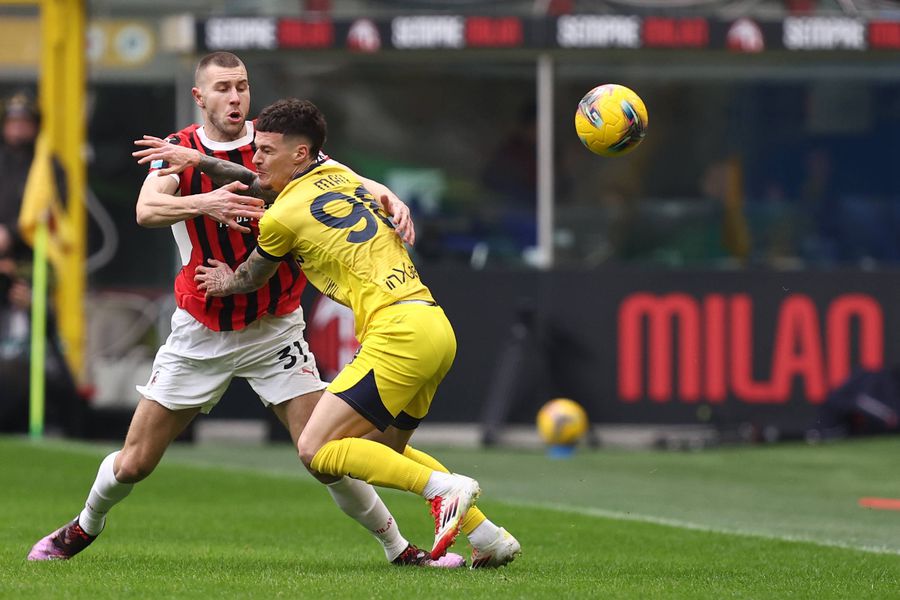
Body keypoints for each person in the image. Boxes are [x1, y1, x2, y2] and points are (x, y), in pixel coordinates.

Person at [26, 52, 460, 568]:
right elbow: (146, 210)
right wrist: (204, 204)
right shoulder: (181, 149)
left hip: (274, 329)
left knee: (326, 455)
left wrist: (388, 195)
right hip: (200, 330)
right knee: (135, 463)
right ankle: (83, 527)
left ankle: (400, 549)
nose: (235, 97)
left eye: (242, 86)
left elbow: (346, 180)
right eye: (223, 88)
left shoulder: (275, 142)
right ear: (199, 97)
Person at [192, 98, 521, 565]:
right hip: (432, 325)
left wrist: (225, 282)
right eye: (256, 149)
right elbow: (260, 182)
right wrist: (201, 161)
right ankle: (488, 537)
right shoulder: (344, 178)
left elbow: (251, 276)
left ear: (301, 155)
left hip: (396, 333)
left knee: (316, 449)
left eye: (266, 150)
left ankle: (443, 488)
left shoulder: (284, 215)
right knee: (383, 452)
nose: (255, 159)